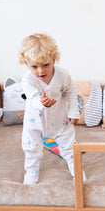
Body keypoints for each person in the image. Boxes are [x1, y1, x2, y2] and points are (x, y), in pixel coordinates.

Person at [18, 33, 80, 184]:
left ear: (54, 60)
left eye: (46, 65)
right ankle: (32, 170)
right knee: (32, 148)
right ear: (26, 64)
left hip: (59, 120)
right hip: (35, 122)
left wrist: (73, 111)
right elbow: (32, 99)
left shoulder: (62, 75)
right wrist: (42, 103)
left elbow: (70, 91)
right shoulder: (28, 80)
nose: (41, 71)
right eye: (34, 66)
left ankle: (75, 167)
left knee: (70, 146)